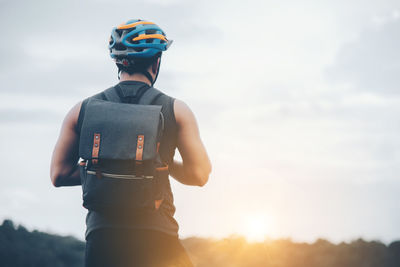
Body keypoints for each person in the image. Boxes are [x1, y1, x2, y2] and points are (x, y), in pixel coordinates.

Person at [50, 19, 212, 267]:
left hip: (102, 239)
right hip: (157, 236)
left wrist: (102, 167)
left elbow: (58, 175)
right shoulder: (176, 110)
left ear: (117, 61)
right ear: (156, 61)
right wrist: (160, 163)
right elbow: (199, 175)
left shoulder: (81, 110)